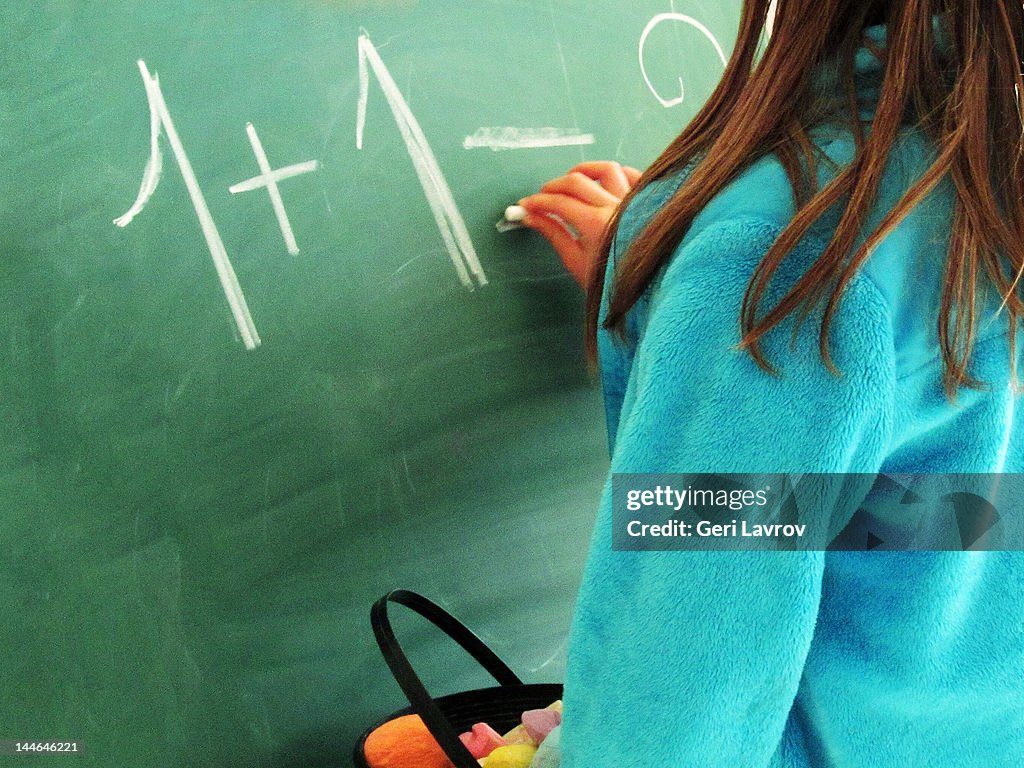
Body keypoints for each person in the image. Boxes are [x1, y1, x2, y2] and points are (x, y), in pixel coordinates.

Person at [516, 0, 1024, 766]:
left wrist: (726, 294)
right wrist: (680, 296)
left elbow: (672, 724)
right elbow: (964, 517)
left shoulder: (792, 261)